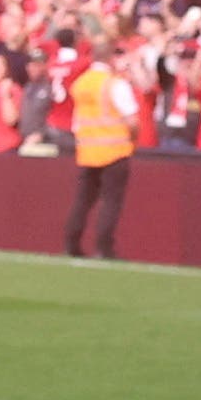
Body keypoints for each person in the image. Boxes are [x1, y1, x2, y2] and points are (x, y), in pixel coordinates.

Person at [62, 26, 141, 260]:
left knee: (82, 200)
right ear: (111, 58)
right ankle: (104, 247)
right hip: (115, 150)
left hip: (87, 150)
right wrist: (133, 142)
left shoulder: (81, 84)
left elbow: (77, 121)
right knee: (110, 202)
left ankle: (71, 243)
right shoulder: (114, 84)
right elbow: (132, 120)